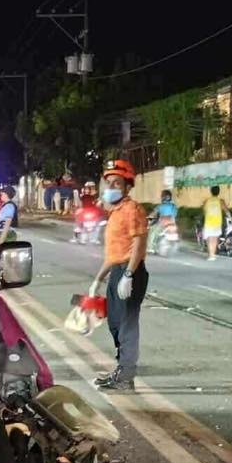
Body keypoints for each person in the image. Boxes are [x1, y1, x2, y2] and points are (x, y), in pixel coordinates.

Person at [91, 159, 148, 392]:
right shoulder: (115, 212)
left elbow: (139, 243)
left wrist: (128, 274)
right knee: (115, 323)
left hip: (130, 272)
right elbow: (114, 253)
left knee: (126, 325)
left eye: (117, 183)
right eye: (109, 183)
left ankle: (125, 376)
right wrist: (99, 279)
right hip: (117, 270)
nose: (112, 187)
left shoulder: (132, 209)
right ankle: (121, 370)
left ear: (127, 187)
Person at [202, 184, 228, 261]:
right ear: (218, 192)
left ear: (211, 192)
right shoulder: (221, 201)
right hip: (217, 223)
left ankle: (211, 255)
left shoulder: (207, 201)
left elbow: (204, 211)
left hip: (209, 222)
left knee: (209, 239)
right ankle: (212, 254)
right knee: (215, 238)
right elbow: (226, 211)